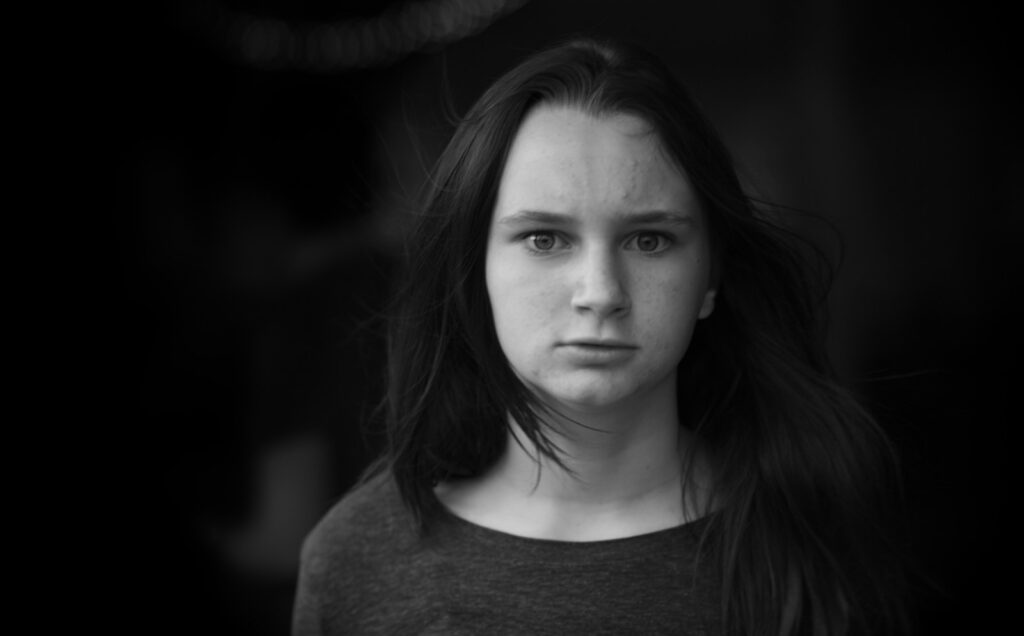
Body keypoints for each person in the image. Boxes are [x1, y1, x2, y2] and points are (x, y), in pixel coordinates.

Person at [292, 36, 909, 635]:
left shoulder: (816, 532)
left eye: (649, 240)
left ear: (711, 277)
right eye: (544, 238)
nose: (601, 292)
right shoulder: (358, 558)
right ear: (473, 272)